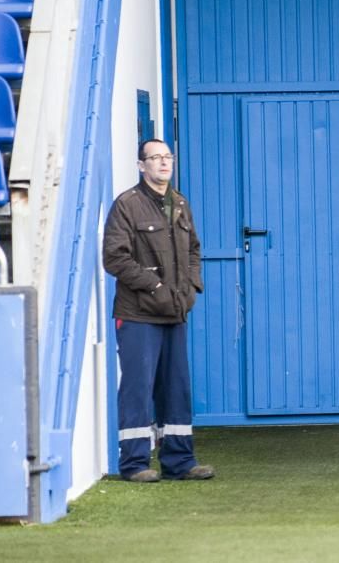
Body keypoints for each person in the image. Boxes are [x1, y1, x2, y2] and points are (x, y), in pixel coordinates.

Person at [103, 139, 213, 483]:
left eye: (168, 157)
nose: (164, 163)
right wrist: (154, 287)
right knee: (137, 388)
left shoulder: (179, 202)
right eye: (156, 158)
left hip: (175, 312)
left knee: (176, 387)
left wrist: (192, 286)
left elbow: (193, 249)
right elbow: (115, 258)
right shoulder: (127, 205)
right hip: (138, 314)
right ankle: (135, 464)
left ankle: (180, 461)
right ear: (141, 165)